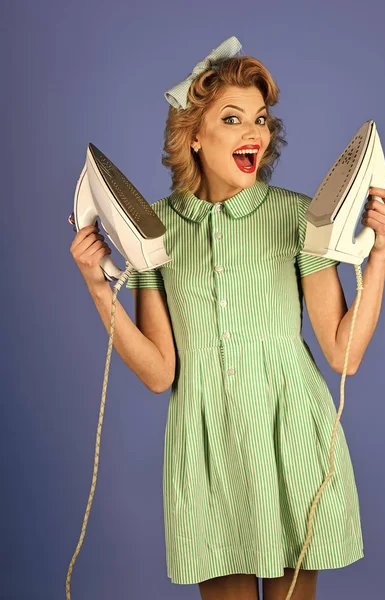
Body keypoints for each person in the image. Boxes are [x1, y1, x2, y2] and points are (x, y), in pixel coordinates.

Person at [70, 39, 365, 600]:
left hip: (289, 432)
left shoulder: (300, 215)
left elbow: (342, 351)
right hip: (204, 443)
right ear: (194, 136)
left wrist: (380, 256)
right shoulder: (152, 226)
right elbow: (160, 373)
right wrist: (95, 284)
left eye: (260, 119)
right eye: (232, 119)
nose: (254, 131)